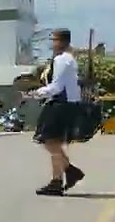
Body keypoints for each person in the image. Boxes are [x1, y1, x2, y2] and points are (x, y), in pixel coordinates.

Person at [30, 28, 85, 195]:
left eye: (54, 40)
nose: (52, 44)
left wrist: (36, 93)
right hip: (65, 104)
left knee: (50, 142)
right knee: (54, 143)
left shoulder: (62, 60)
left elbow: (56, 87)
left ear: (62, 42)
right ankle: (60, 178)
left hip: (59, 105)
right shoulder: (67, 59)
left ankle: (66, 173)